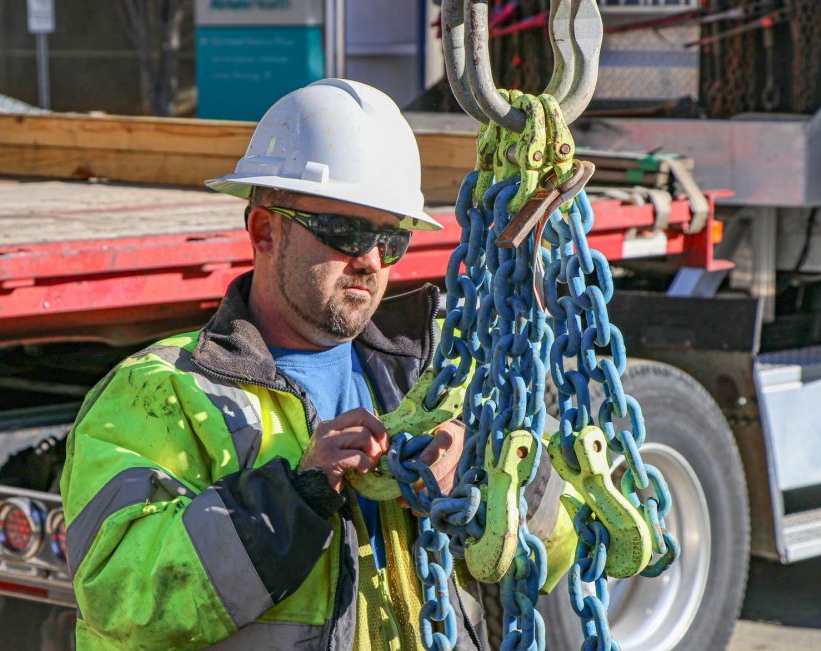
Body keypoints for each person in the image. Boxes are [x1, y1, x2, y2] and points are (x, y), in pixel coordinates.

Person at [60, 79, 560, 650]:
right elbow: (120, 594)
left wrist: (483, 472)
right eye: (345, 233)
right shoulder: (162, 395)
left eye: (390, 240)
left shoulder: (435, 378)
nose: (370, 260)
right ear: (264, 230)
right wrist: (297, 497)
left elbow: (560, 544)